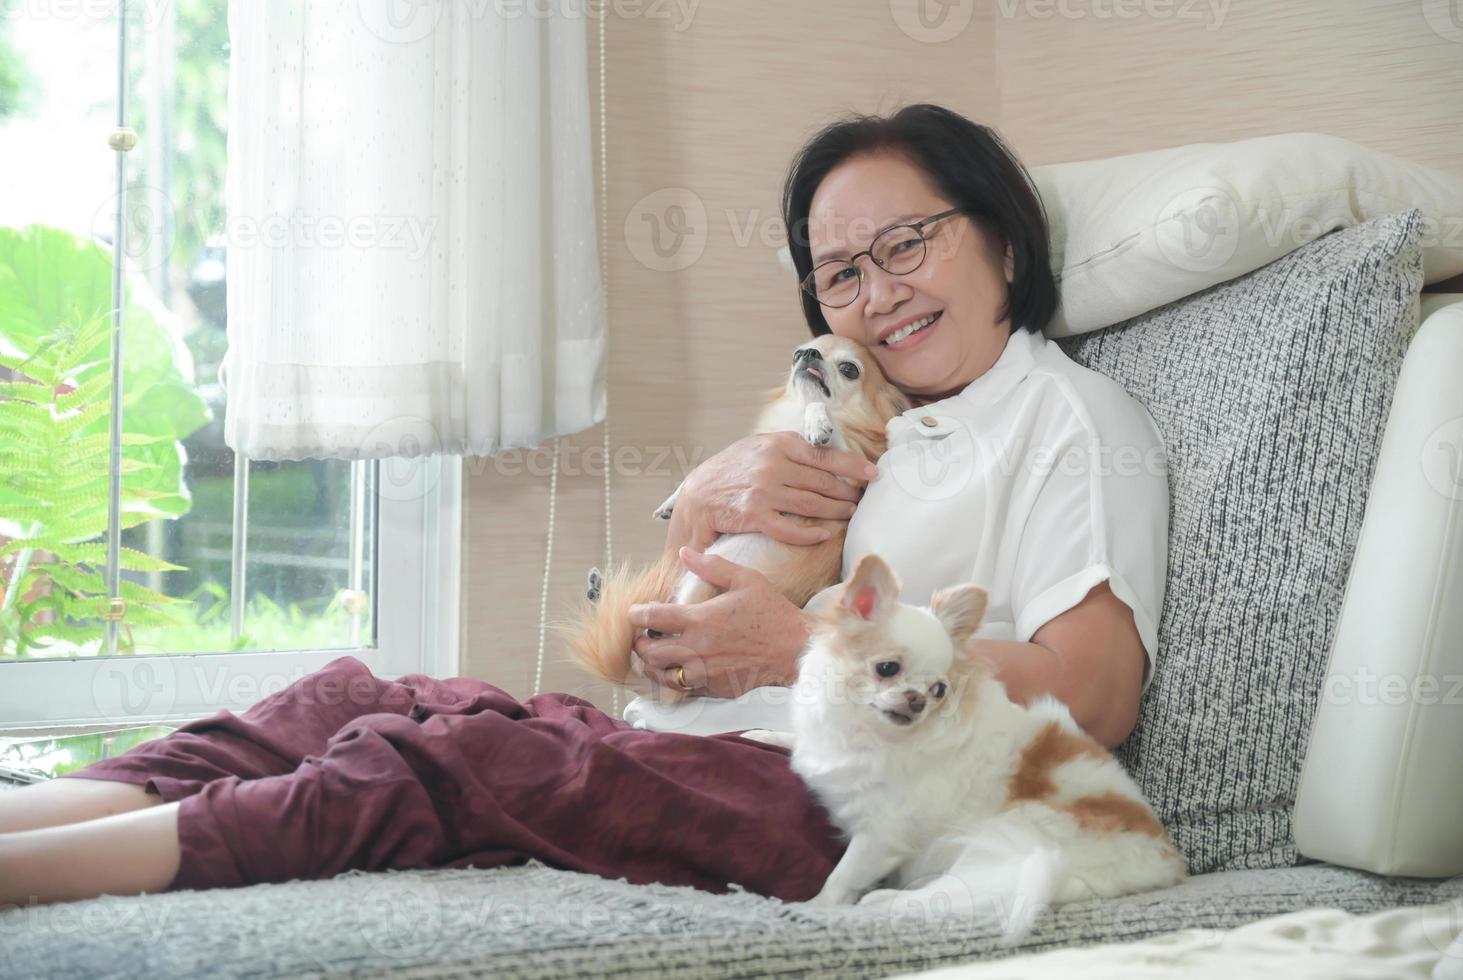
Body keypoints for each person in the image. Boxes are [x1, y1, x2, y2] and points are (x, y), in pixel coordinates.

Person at [0, 103, 1166, 910]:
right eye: (841, 273)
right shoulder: (870, 433)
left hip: (850, 807)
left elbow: (1100, 688)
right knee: (363, 695)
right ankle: (34, 817)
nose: (877, 295)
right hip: (714, 747)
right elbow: (678, 650)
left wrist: (793, 650)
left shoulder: (1067, 421)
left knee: (445, 758)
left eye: (906, 244)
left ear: (1004, 241)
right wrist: (696, 525)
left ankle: (35, 876)